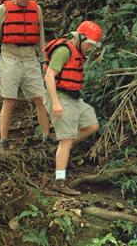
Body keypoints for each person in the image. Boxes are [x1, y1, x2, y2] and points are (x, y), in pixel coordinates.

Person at [0, 0, 50, 151]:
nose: (25, 0)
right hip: (10, 58)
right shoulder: (3, 10)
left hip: (30, 58)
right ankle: (3, 141)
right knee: (9, 101)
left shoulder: (36, 9)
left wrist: (45, 61)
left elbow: (41, 38)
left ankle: (46, 138)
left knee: (40, 98)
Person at [42, 21, 103, 196]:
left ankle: (61, 149)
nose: (91, 49)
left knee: (92, 125)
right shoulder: (64, 50)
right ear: (81, 38)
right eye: (90, 44)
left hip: (73, 97)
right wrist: (55, 103)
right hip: (59, 96)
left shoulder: (78, 51)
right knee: (66, 140)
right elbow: (49, 76)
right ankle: (59, 182)